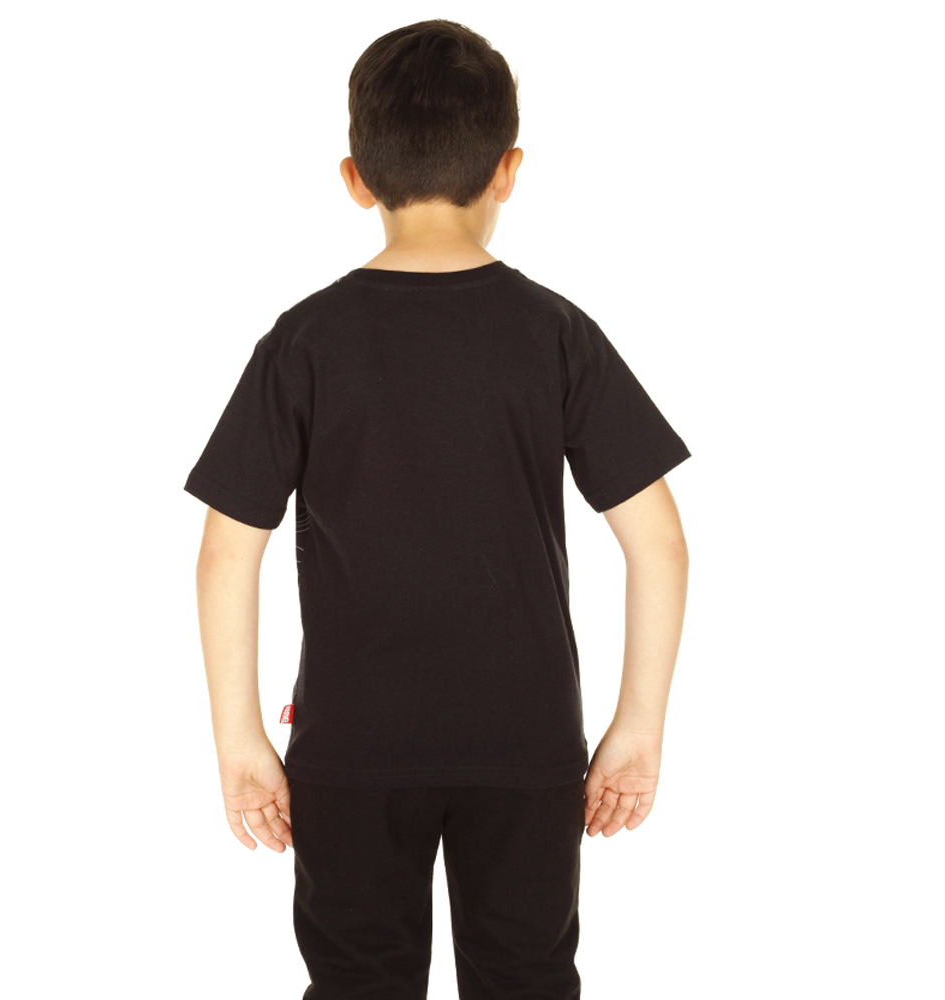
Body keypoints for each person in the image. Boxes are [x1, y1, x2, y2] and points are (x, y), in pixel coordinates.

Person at [184, 18, 691, 1000]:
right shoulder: (556, 334)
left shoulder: (304, 341)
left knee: (357, 981)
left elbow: (225, 554)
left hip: (352, 746)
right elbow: (660, 545)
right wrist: (635, 727)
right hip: (526, 741)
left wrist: (241, 740)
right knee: (526, 978)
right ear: (508, 170)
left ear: (354, 179)